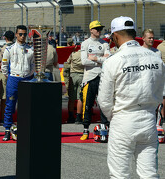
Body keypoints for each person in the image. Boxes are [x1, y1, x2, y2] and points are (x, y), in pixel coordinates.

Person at [98, 16, 164, 179]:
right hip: (148, 119)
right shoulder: (156, 58)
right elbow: (161, 90)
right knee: (149, 174)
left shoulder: (113, 61)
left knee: (120, 175)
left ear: (115, 36)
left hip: (123, 119)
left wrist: (114, 116)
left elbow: (104, 100)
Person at [1, 25, 34, 141]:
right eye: (20, 34)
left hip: (27, 78)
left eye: (25, 34)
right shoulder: (9, 49)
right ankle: (6, 130)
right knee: (10, 105)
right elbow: (4, 65)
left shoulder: (31, 50)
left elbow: (33, 65)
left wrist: (29, 75)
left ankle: (26, 129)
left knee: (26, 106)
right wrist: (9, 76)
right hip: (13, 79)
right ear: (16, 35)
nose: (22, 36)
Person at [80, 20, 110, 140]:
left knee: (104, 103)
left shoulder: (104, 44)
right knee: (87, 105)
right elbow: (84, 61)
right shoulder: (85, 44)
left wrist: (95, 58)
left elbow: (109, 59)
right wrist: (101, 59)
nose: (99, 31)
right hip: (89, 77)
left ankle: (106, 127)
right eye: (97, 28)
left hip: (102, 77)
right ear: (91, 30)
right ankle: (85, 129)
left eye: (100, 28)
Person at [0, 30, 14, 123]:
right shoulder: (15, 47)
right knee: (14, 96)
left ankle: (3, 118)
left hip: (4, 73)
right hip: (14, 74)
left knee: (3, 97)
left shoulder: (3, 48)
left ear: (5, 38)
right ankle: (12, 117)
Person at [65, 38, 84, 124]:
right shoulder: (85, 54)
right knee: (80, 98)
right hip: (82, 75)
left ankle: (70, 117)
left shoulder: (73, 54)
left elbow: (67, 63)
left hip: (73, 76)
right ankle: (79, 117)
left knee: (71, 99)